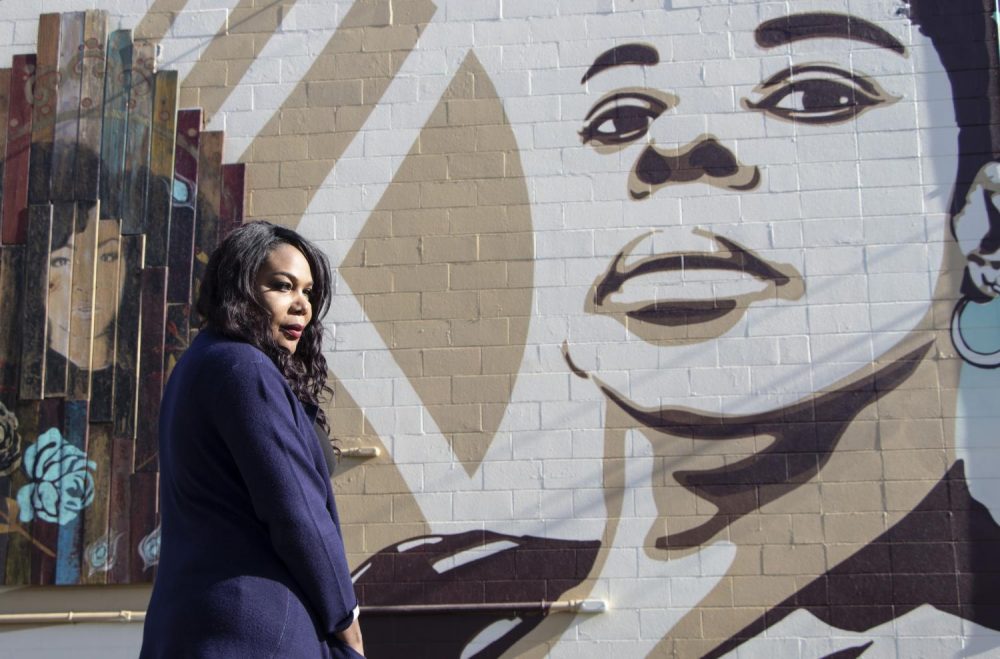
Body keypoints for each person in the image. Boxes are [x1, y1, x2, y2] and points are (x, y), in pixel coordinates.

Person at [334, 0, 1000, 656]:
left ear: (983, 228)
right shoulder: (422, 591)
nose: (674, 148)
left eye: (814, 96)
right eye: (621, 117)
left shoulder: (963, 629)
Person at [139, 221, 364, 658]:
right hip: (255, 630)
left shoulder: (198, 365)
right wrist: (346, 617)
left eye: (309, 292)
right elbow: (296, 511)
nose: (302, 305)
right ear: (238, 289)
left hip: (194, 625)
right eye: (283, 287)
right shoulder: (245, 369)